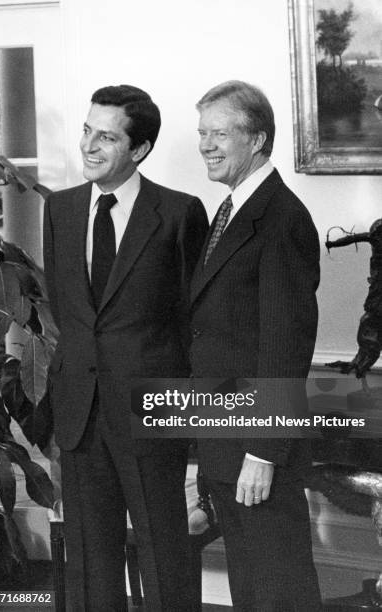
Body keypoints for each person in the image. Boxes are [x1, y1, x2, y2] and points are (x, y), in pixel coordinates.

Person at [43, 84, 208, 612]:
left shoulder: (180, 214)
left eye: (107, 137)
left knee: (166, 559)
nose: (89, 146)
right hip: (81, 416)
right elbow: (67, 315)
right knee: (90, 569)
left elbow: (194, 325)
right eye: (86, 131)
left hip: (151, 415)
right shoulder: (61, 210)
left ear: (138, 150)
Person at [190, 80, 322, 611]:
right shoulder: (230, 211)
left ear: (258, 139)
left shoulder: (282, 220)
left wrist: (263, 451)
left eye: (218, 133)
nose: (205, 145)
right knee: (252, 591)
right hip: (225, 441)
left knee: (279, 590)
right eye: (202, 133)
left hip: (258, 448)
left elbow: (284, 350)